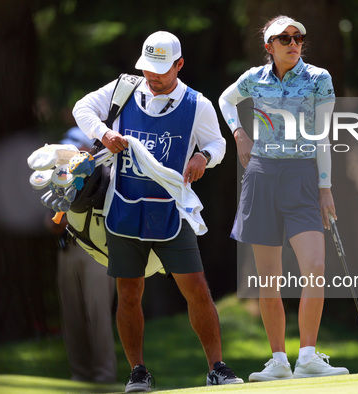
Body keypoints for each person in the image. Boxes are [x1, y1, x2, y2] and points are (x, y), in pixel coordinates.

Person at [72, 31, 243, 392]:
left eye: (162, 69)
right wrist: (103, 134)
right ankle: (138, 372)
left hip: (171, 210)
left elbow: (217, 143)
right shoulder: (124, 89)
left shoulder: (198, 104)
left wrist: (203, 157)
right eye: (148, 67)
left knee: (196, 288)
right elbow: (82, 109)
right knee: (129, 291)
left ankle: (217, 368)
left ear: (179, 65)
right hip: (124, 207)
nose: (153, 75)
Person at [218, 16, 350, 381]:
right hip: (261, 175)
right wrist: (239, 133)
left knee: (316, 267)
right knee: (268, 279)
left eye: (298, 37)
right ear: (269, 46)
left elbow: (322, 137)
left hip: (303, 177)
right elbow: (225, 100)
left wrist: (325, 187)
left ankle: (307, 355)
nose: (294, 43)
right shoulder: (254, 78)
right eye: (284, 38)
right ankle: (278, 361)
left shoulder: (318, 78)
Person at [45, 127, 118, 383]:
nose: (69, 155)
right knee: (72, 315)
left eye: (75, 149)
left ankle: (104, 374)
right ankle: (81, 374)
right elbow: (53, 225)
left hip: (95, 253)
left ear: (89, 150)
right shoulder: (60, 179)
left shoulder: (105, 174)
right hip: (68, 250)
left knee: (97, 314)